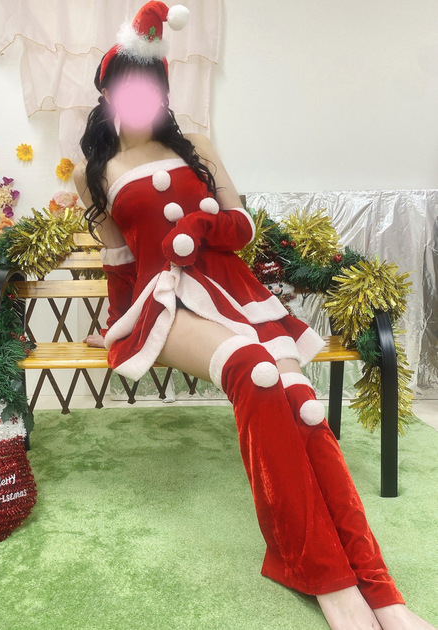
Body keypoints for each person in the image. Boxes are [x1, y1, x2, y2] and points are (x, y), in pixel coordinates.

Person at [74, 3, 436, 629]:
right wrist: (115, 324)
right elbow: (120, 265)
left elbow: (240, 228)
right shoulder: (95, 174)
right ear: (107, 93)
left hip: (233, 290)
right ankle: (321, 575)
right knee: (254, 371)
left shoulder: (197, 146)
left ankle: (380, 591)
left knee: (302, 405)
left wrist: (202, 224)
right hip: (163, 303)